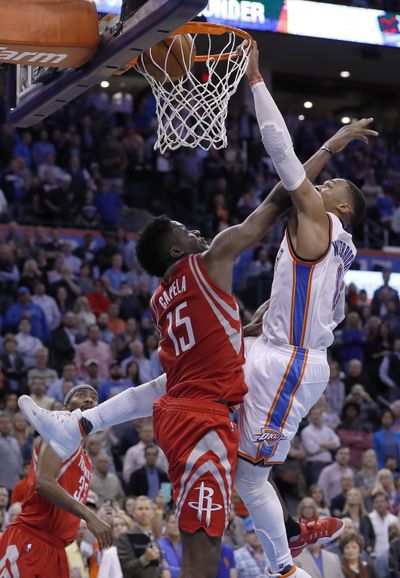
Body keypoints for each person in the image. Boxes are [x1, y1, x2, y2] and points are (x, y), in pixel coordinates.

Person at [17, 65, 376, 578]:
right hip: (271, 348)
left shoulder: (312, 223)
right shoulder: (325, 241)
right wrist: (259, 324)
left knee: (249, 480)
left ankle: (285, 563)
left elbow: (283, 167)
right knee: (182, 382)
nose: (320, 184)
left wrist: (265, 90)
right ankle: (80, 423)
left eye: (330, 184)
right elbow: (330, 307)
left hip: (290, 363)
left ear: (339, 204)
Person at [0, 385, 112, 577]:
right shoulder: (56, 434)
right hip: (31, 538)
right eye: (81, 395)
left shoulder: (88, 461)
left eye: (94, 398)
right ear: (66, 408)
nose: (89, 400)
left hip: (57, 550)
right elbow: (44, 483)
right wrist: (91, 516)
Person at [368, 492, 399, 558]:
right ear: (373, 504)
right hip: (374, 555)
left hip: (392, 555)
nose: (379, 504)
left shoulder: (394, 519)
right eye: (376, 502)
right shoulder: (368, 519)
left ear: (387, 503)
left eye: (382, 501)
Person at [158, 512, 182, 578]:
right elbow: (161, 569)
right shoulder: (159, 545)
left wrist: (168, 568)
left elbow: (193, 569)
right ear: (166, 524)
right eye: (173, 522)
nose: (176, 525)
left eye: (179, 523)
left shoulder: (188, 546)